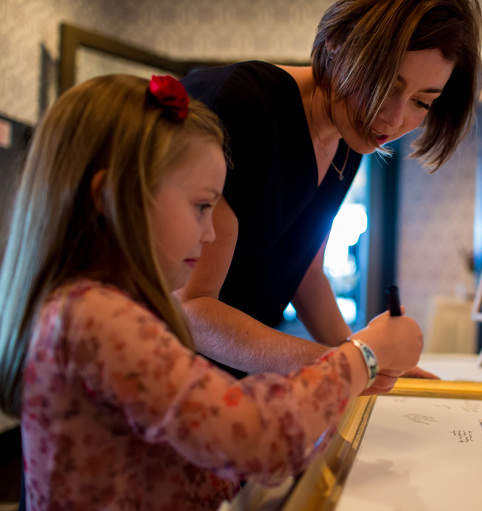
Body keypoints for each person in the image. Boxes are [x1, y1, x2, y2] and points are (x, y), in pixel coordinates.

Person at [0, 74, 422, 510]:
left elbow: (187, 459)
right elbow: (257, 437)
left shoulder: (106, 309)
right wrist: (364, 355)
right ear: (110, 198)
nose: (210, 233)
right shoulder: (93, 317)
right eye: (203, 206)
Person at [179, 0, 482, 386]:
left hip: (230, 384)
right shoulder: (239, 107)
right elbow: (192, 309)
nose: (392, 119)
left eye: (422, 102)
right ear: (337, 43)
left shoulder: (348, 140)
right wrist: (357, 362)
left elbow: (304, 268)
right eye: (387, 84)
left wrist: (363, 356)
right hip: (157, 383)